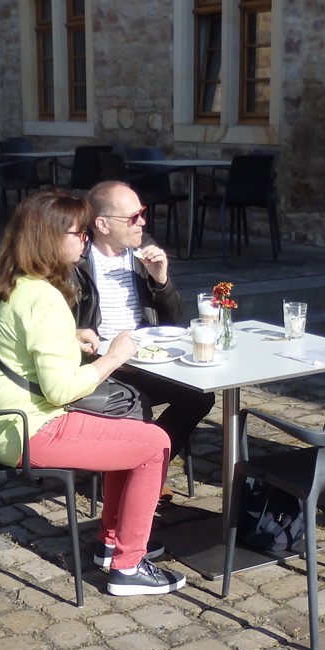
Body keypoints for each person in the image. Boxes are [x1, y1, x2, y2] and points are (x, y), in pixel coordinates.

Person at [0, 188, 187, 597]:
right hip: (27, 428)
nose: (85, 240)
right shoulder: (45, 298)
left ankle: (112, 543)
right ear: (49, 238)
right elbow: (60, 390)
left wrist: (68, 337)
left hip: (1, 419)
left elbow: (21, 341)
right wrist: (114, 357)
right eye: (78, 233)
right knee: (154, 444)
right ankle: (128, 567)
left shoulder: (15, 283)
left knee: (130, 428)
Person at [73, 181, 214, 471]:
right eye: (133, 217)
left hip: (146, 357)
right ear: (102, 224)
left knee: (200, 397)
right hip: (100, 361)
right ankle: (131, 474)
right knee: (138, 402)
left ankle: (146, 468)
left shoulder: (142, 252)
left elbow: (173, 321)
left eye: (143, 213)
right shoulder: (76, 258)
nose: (143, 222)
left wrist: (161, 280)